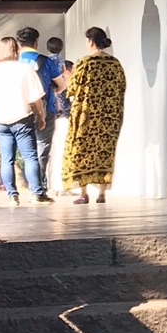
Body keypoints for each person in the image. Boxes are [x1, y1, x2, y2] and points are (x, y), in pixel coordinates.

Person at [0, 37, 50, 204]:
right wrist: (41, 116)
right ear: (16, 50)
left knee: (7, 159)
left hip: (0, 121)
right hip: (22, 119)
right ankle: (37, 193)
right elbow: (35, 98)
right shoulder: (25, 70)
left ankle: (12, 196)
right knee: (30, 157)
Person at [61, 27, 127, 203]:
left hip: (86, 115)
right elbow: (122, 87)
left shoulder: (84, 62)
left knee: (81, 151)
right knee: (105, 152)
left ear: (90, 41)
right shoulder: (115, 63)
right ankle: (102, 193)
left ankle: (83, 193)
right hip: (109, 116)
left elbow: (71, 88)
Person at [16, 26, 68, 176]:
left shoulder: (14, 62)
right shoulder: (46, 61)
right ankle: (39, 183)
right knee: (42, 148)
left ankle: (31, 181)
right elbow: (62, 85)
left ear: (19, 44)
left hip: (20, 110)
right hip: (46, 108)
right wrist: (53, 92)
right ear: (36, 42)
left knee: (26, 150)